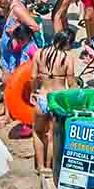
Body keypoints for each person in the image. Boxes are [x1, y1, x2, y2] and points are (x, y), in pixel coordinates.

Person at [30, 28, 78, 177]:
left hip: (42, 97)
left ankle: (40, 166)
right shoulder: (67, 57)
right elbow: (71, 83)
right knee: (52, 135)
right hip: (57, 100)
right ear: (68, 43)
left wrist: (33, 92)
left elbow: (33, 77)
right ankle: (49, 168)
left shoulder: (39, 53)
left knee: (37, 132)